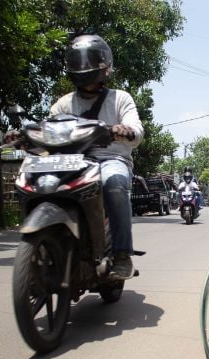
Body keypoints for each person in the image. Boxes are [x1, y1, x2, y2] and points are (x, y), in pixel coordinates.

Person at [50, 34, 144, 280]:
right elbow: (48, 129)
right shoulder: (62, 104)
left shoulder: (120, 98)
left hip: (110, 159)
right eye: (78, 63)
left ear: (105, 67)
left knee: (114, 183)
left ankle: (122, 254)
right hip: (71, 161)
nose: (83, 68)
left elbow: (137, 131)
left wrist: (127, 131)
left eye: (88, 63)